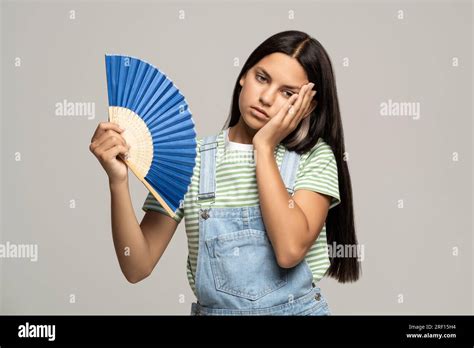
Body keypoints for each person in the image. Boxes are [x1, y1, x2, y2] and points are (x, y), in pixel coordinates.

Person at [89, 30, 360, 316]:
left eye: (288, 93)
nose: (266, 98)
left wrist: (264, 148)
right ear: (244, 75)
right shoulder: (190, 160)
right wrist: (118, 182)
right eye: (262, 78)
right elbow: (136, 266)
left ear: (308, 105)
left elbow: (289, 249)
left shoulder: (314, 159)